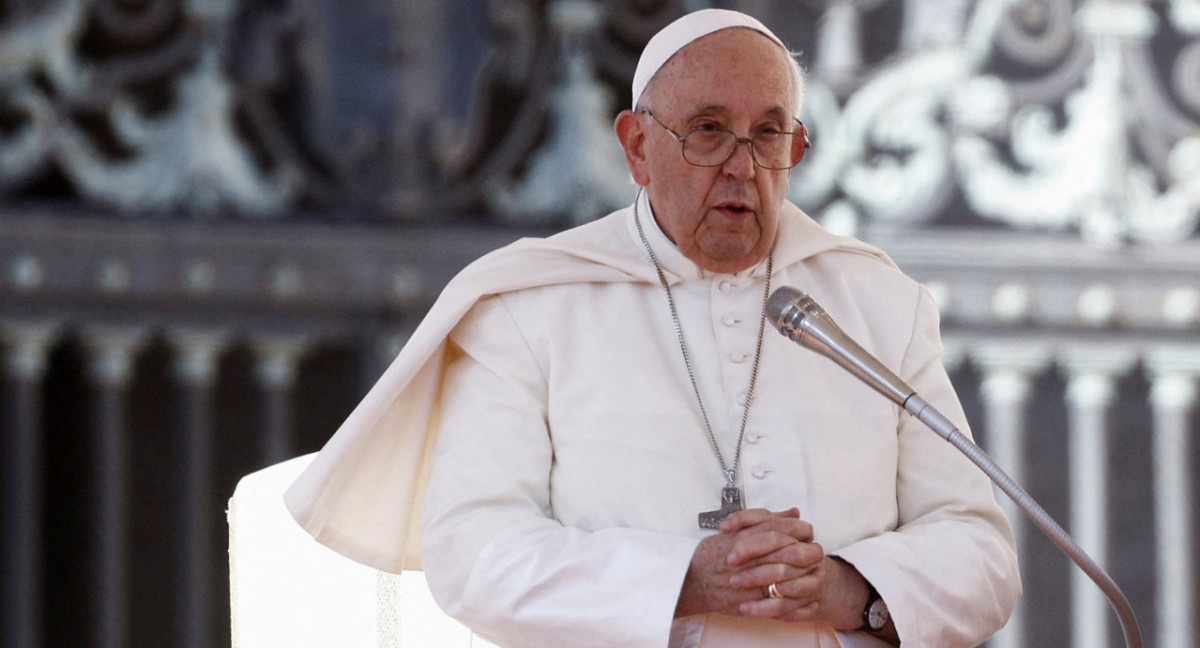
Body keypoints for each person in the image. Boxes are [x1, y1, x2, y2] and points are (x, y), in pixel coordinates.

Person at [285, 9, 1021, 648]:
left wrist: (849, 588)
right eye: (708, 132)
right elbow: (476, 553)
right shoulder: (533, 304)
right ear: (638, 146)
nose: (743, 168)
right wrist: (681, 581)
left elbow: (981, 553)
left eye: (769, 136)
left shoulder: (873, 302)